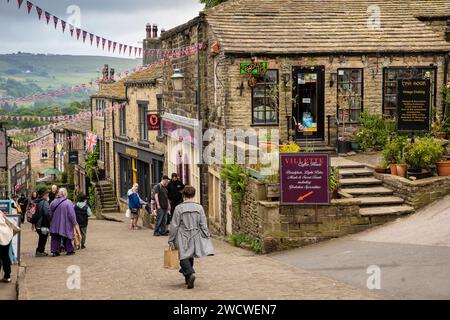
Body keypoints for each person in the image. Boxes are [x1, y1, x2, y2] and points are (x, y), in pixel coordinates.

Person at [168, 186, 214, 289]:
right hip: (194, 234)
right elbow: (203, 223)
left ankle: (190, 274)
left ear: (183, 195)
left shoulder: (179, 208)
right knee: (190, 255)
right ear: (193, 195)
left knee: (183, 256)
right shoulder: (199, 207)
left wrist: (171, 239)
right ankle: (188, 277)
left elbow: (174, 225)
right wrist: (206, 234)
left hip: (182, 234)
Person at [49, 188, 81, 256]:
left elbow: (50, 213)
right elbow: (72, 214)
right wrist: (74, 223)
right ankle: (69, 250)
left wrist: (51, 221)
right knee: (67, 236)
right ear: (65, 194)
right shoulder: (68, 202)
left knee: (55, 237)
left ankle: (55, 251)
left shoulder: (53, 202)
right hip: (65, 223)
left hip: (55, 223)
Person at [30, 188, 51, 257]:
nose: (48, 194)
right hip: (43, 223)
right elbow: (46, 213)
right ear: (44, 194)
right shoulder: (44, 202)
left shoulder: (37, 201)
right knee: (43, 237)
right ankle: (40, 251)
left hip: (38, 223)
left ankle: (39, 250)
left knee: (42, 237)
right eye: (47, 193)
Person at [0, 210, 14, 283]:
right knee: (5, 256)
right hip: (6, 234)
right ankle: (7, 276)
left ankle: (7, 276)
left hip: (1, 235)